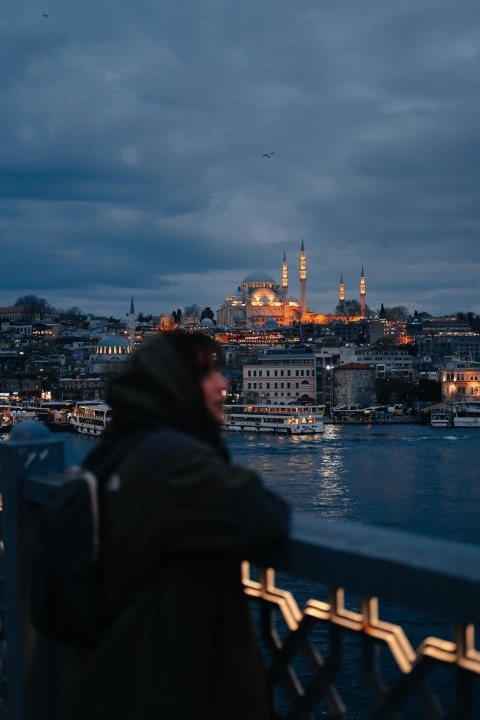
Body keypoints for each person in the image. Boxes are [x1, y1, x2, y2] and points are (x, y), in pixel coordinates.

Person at [68, 330, 290, 720]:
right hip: (170, 685)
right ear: (178, 385)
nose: (223, 384)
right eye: (209, 375)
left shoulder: (113, 452)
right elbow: (262, 516)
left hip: (112, 672)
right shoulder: (174, 461)